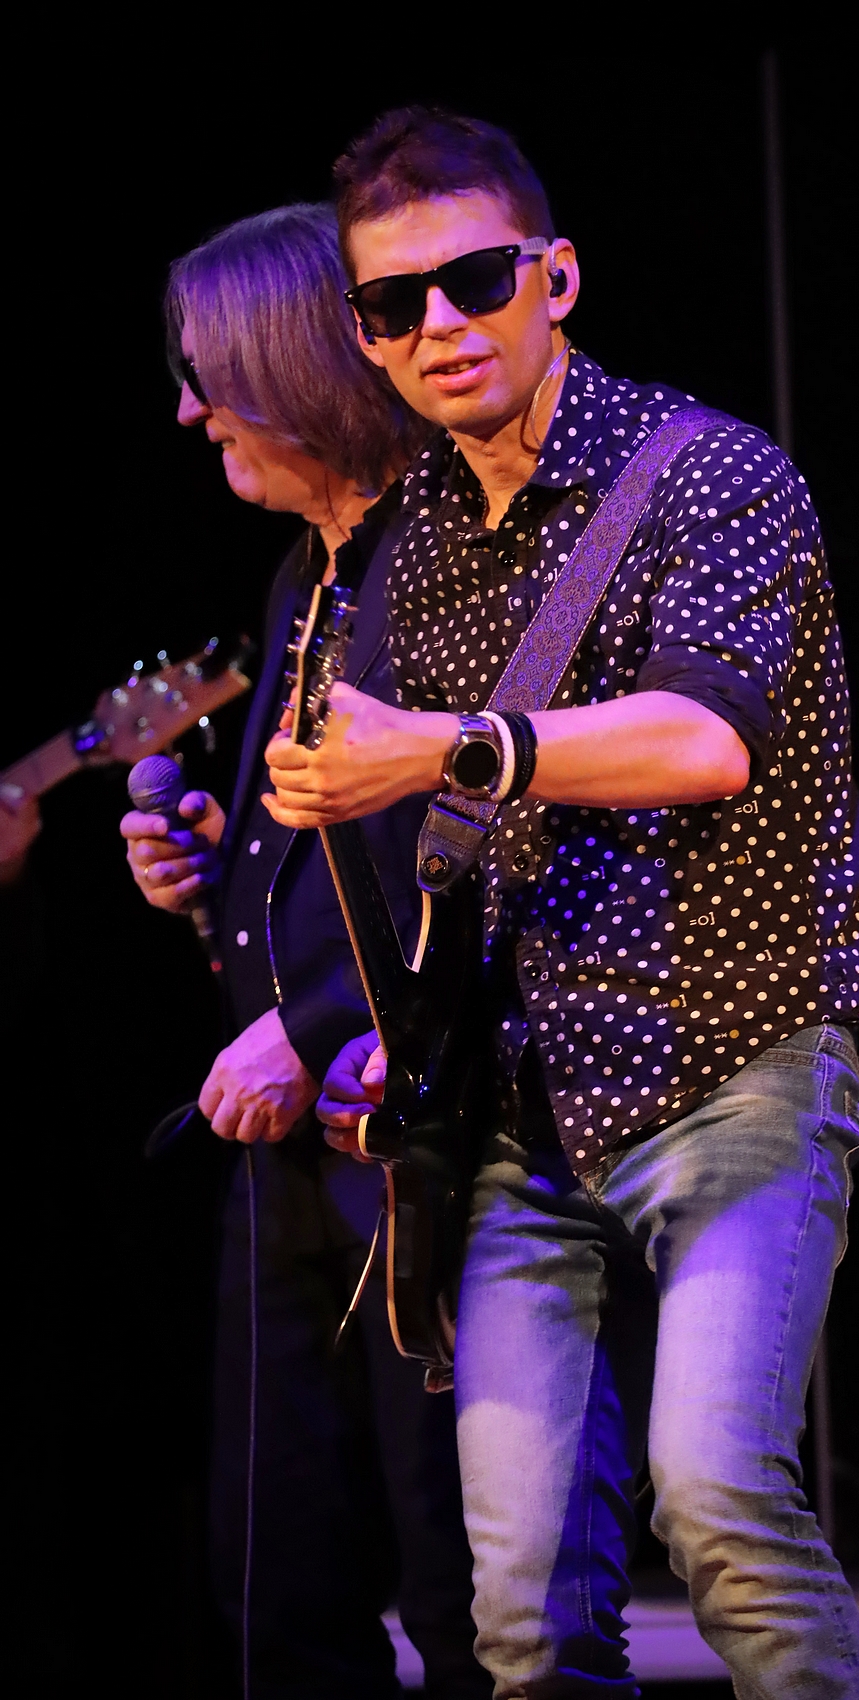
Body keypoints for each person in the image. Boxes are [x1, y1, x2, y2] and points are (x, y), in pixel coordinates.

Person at [265, 110, 859, 1698]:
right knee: (521, 1615)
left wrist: (446, 747)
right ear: (366, 337)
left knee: (720, 1503)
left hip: (731, 1051)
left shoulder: (710, 473)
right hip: (517, 1105)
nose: (440, 325)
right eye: (395, 304)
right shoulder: (412, 544)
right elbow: (398, 824)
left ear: (555, 277)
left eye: (474, 281)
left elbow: (704, 740)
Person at [120, 202, 491, 1699]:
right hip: (292, 1163)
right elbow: (341, 864)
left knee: (470, 1601)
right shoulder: (303, 580)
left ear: (295, 362)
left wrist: (321, 1022)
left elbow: (500, 866)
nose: (190, 410)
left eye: (209, 373)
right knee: (274, 1589)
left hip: (421, 1153)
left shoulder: (450, 565)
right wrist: (216, 880)